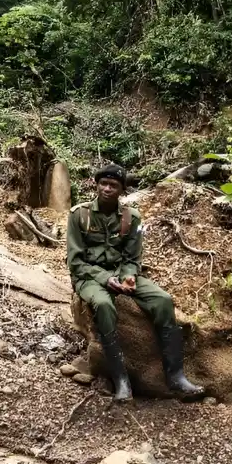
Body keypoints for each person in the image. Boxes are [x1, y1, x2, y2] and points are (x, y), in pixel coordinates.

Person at [66, 164, 203, 402]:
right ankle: (121, 381)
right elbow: (75, 261)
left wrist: (128, 276)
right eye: (103, 184)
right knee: (104, 305)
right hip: (89, 276)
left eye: (114, 186)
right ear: (96, 185)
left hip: (120, 272)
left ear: (122, 190)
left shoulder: (132, 217)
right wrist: (105, 279)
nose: (107, 189)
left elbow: (132, 258)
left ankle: (176, 376)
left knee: (163, 300)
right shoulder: (80, 215)